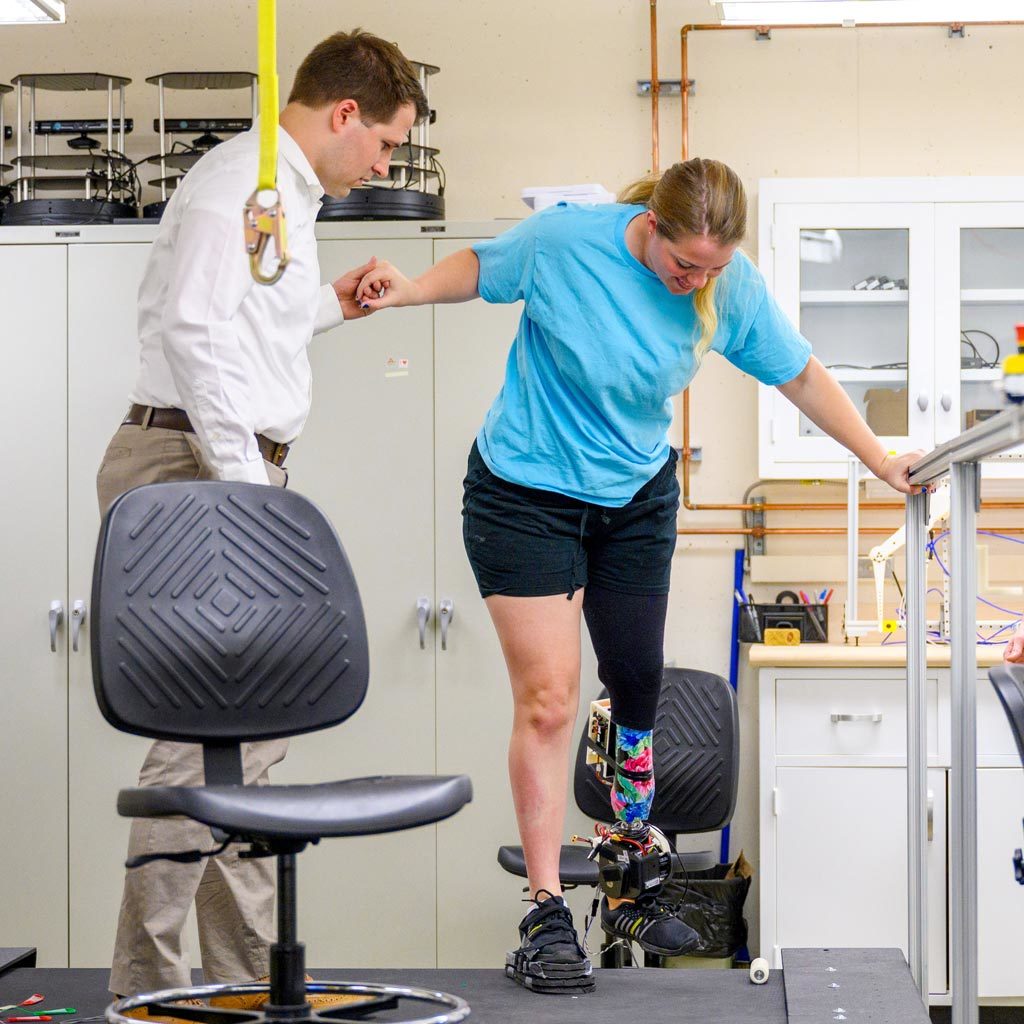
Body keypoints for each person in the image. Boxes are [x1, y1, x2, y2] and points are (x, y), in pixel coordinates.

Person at [352, 157, 924, 993]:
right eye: (685, 263)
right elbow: (483, 267)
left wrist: (879, 459)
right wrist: (406, 289)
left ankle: (627, 862)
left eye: (713, 268)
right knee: (551, 696)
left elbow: (797, 370)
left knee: (636, 684)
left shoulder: (725, 287)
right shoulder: (566, 244)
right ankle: (546, 910)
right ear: (650, 225)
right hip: (525, 492)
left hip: (636, 497)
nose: (696, 280)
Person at [96, 29, 427, 1006]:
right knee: (196, 739)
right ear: (343, 114)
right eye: (385, 144)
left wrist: (328, 306)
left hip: (219, 461)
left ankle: (241, 980)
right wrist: (244, 490)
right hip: (197, 465)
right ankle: (147, 983)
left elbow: (243, 322)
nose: (385, 165)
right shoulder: (244, 180)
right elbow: (194, 335)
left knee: (248, 742)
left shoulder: (281, 195)